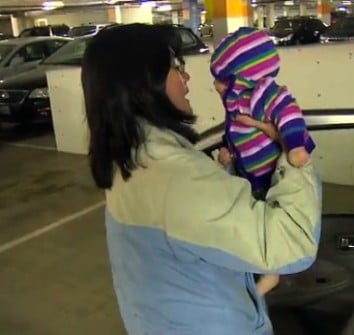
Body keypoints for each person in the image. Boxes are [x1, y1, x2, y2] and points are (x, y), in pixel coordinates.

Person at [81, 23, 322, 335]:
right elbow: (293, 244)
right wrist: (292, 155)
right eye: (176, 67)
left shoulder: (127, 157)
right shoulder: (176, 176)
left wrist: (221, 175)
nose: (187, 78)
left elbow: (189, 227)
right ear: (145, 83)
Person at [209, 27, 316, 296]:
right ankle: (259, 267)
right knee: (256, 221)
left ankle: (272, 274)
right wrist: (226, 153)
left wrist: (294, 147)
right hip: (253, 176)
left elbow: (291, 115)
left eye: (222, 79)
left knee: (270, 221)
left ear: (241, 75)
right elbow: (235, 133)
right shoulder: (237, 102)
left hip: (272, 176)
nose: (215, 86)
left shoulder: (266, 93)